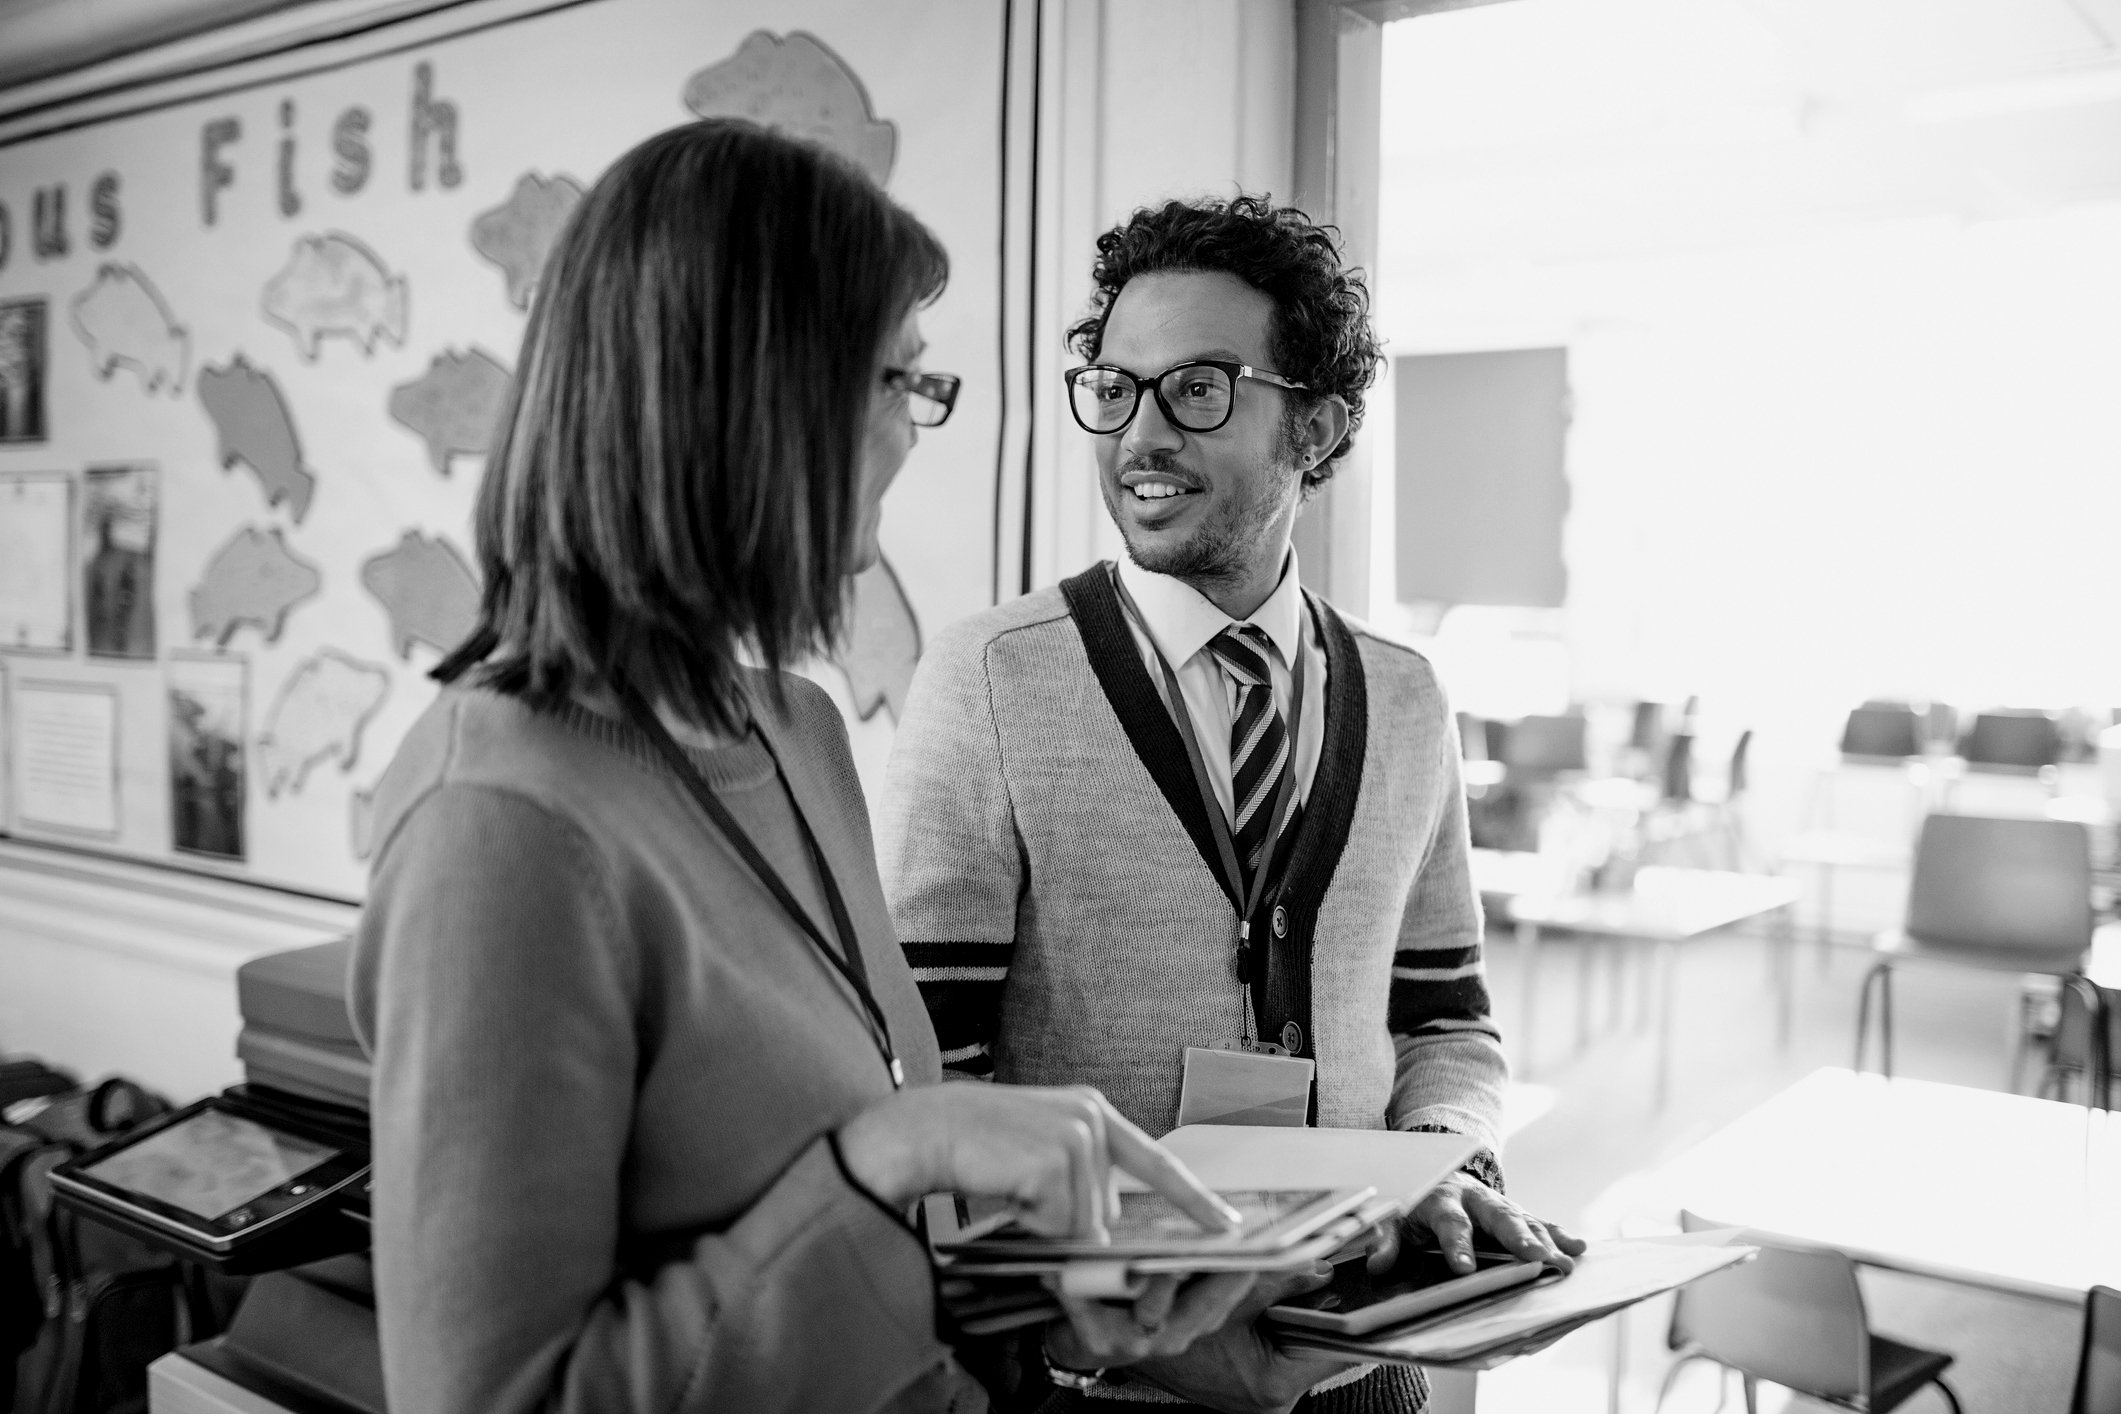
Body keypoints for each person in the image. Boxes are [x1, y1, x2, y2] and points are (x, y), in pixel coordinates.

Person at [349, 121, 1264, 1414]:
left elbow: (861, 1263)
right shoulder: (499, 825)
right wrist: (884, 1154)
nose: (911, 429)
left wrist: (1049, 1293)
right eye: (894, 380)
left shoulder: (799, 728)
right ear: (749, 401)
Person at [881, 196, 1584, 1414]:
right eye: (1114, 386)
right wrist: (1144, 1334)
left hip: (1369, 1365)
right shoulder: (991, 678)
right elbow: (935, 1076)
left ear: (1316, 425)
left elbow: (1447, 1021)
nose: (1139, 434)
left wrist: (1438, 1167)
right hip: (1111, 1384)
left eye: (1197, 388)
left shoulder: (1408, 698)